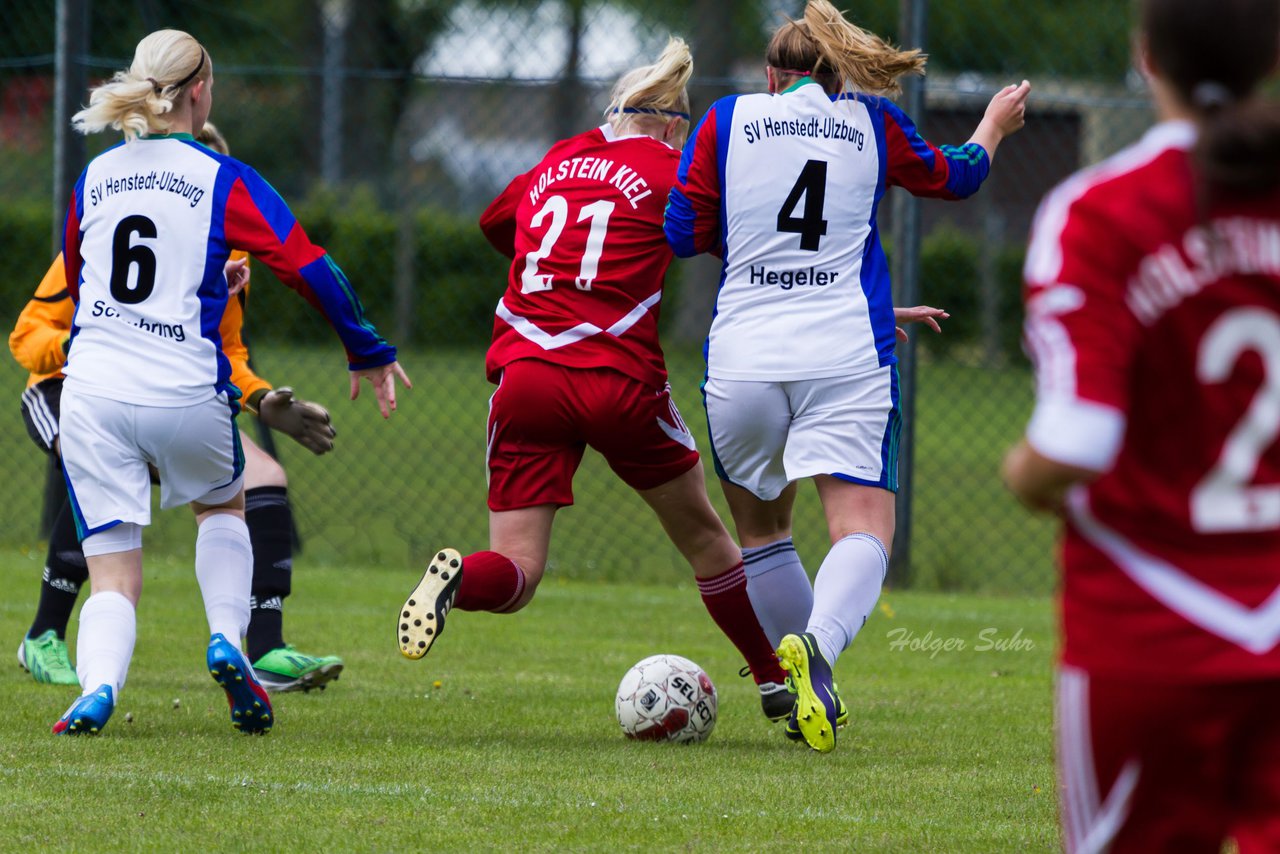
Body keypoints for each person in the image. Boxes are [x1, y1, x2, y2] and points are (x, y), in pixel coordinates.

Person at [395, 38, 799, 726]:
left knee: (516, 571)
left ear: (615, 112)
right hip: (617, 378)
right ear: (675, 124)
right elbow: (754, 249)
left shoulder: (556, 161)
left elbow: (499, 223)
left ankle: (460, 579)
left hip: (525, 378)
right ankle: (772, 682)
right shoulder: (676, 170)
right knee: (706, 540)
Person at [664, 0, 1028, 752]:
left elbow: (683, 232)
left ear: (772, 77)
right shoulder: (872, 122)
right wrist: (993, 126)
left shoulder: (728, 119)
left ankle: (803, 687)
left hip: (743, 357)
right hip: (844, 354)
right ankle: (819, 653)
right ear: (837, 74)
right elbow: (954, 178)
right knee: (862, 526)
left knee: (763, 533)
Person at [52, 29, 408, 736]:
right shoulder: (222, 177)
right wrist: (365, 347)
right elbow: (308, 264)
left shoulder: (94, 176)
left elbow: (83, 272)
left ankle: (97, 687)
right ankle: (226, 638)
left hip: (89, 391)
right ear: (201, 92)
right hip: (183, 391)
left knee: (113, 567)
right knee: (224, 510)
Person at [1002, 0, 1280, 847]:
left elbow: (1079, 441)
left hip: (1148, 628)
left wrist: (1020, 473)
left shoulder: (1100, 211)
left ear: (1144, 55)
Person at [11, 122, 346, 695]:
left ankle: (263, 648)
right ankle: (43, 633)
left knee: (265, 475)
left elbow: (226, 355)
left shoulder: (226, 257)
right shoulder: (110, 225)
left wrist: (262, 399)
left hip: (158, 394)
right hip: (66, 388)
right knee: (96, 466)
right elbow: (27, 335)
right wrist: (87, 340)